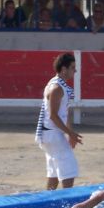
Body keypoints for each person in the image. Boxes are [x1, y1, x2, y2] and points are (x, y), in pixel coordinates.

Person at [35, 52, 82, 190]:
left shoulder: (56, 85)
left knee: (54, 173)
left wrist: (69, 133)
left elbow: (62, 114)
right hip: (52, 134)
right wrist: (71, 134)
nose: (75, 71)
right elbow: (53, 116)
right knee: (68, 170)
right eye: (72, 68)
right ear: (63, 69)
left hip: (50, 134)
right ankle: (66, 205)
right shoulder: (57, 88)